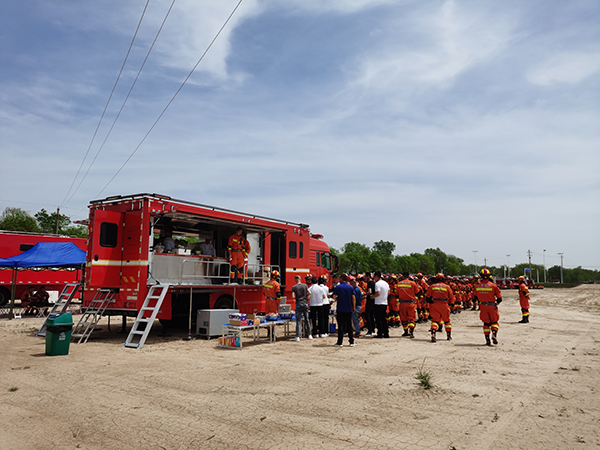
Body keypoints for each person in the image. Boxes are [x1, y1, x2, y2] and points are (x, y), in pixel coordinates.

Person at [474, 269, 502, 346]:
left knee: (486, 323)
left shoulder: (477, 286)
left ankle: (487, 340)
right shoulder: (493, 285)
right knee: (494, 322)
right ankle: (494, 334)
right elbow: (500, 298)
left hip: (482, 306)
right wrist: (496, 304)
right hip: (492, 306)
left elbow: (474, 298)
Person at [425, 273, 454, 342]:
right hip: (444, 305)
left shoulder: (432, 286)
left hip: (434, 305)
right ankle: (448, 336)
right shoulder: (447, 287)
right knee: (447, 321)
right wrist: (452, 304)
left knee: (435, 320)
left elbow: (427, 297)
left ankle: (433, 333)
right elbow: (451, 297)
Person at [333, 273, 356, 347]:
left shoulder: (338, 287)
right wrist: (354, 307)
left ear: (341, 279)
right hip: (348, 308)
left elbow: (334, 297)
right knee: (349, 325)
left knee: (341, 326)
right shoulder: (350, 287)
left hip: (340, 308)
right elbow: (353, 298)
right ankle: (351, 341)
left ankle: (340, 342)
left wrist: (338, 298)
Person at [396, 272, 419, 338]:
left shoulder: (399, 284)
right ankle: (411, 332)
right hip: (411, 303)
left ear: (402, 276)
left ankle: (406, 332)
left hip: (402, 304)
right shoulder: (412, 283)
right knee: (411, 318)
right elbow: (417, 292)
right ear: (408, 276)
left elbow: (397, 294)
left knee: (404, 318)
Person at [292, 275, 312, 341]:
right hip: (305, 303)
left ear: (295, 279)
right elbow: (310, 292)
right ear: (300, 279)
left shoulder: (294, 287)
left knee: (298, 321)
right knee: (307, 320)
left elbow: (292, 296)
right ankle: (309, 335)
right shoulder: (305, 285)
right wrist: (306, 296)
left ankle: (298, 336)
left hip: (298, 304)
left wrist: (297, 297)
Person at [372, 271, 389, 338]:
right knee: (383, 319)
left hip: (378, 303)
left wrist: (372, 296)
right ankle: (386, 333)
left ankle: (379, 333)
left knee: (378, 319)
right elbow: (389, 292)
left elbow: (378, 293)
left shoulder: (377, 284)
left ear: (376, 276)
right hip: (384, 303)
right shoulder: (386, 283)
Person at [363, 272, 376, 337]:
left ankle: (370, 330)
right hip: (374, 301)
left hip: (370, 300)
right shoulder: (374, 283)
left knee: (367, 315)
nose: (364, 278)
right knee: (371, 316)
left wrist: (364, 294)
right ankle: (373, 330)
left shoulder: (369, 283)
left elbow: (369, 291)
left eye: (365, 277)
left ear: (368, 276)